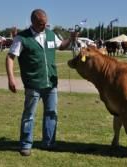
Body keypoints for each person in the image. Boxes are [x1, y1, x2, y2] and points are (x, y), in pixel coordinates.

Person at [5, 9, 78, 156]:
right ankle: (26, 144)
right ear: (33, 22)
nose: (44, 26)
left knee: (51, 114)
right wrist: (11, 78)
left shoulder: (50, 34)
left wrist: (71, 39)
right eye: (40, 23)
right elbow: (10, 58)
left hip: (51, 83)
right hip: (33, 83)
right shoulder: (22, 37)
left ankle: (49, 143)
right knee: (29, 115)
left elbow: (61, 46)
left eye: (45, 23)